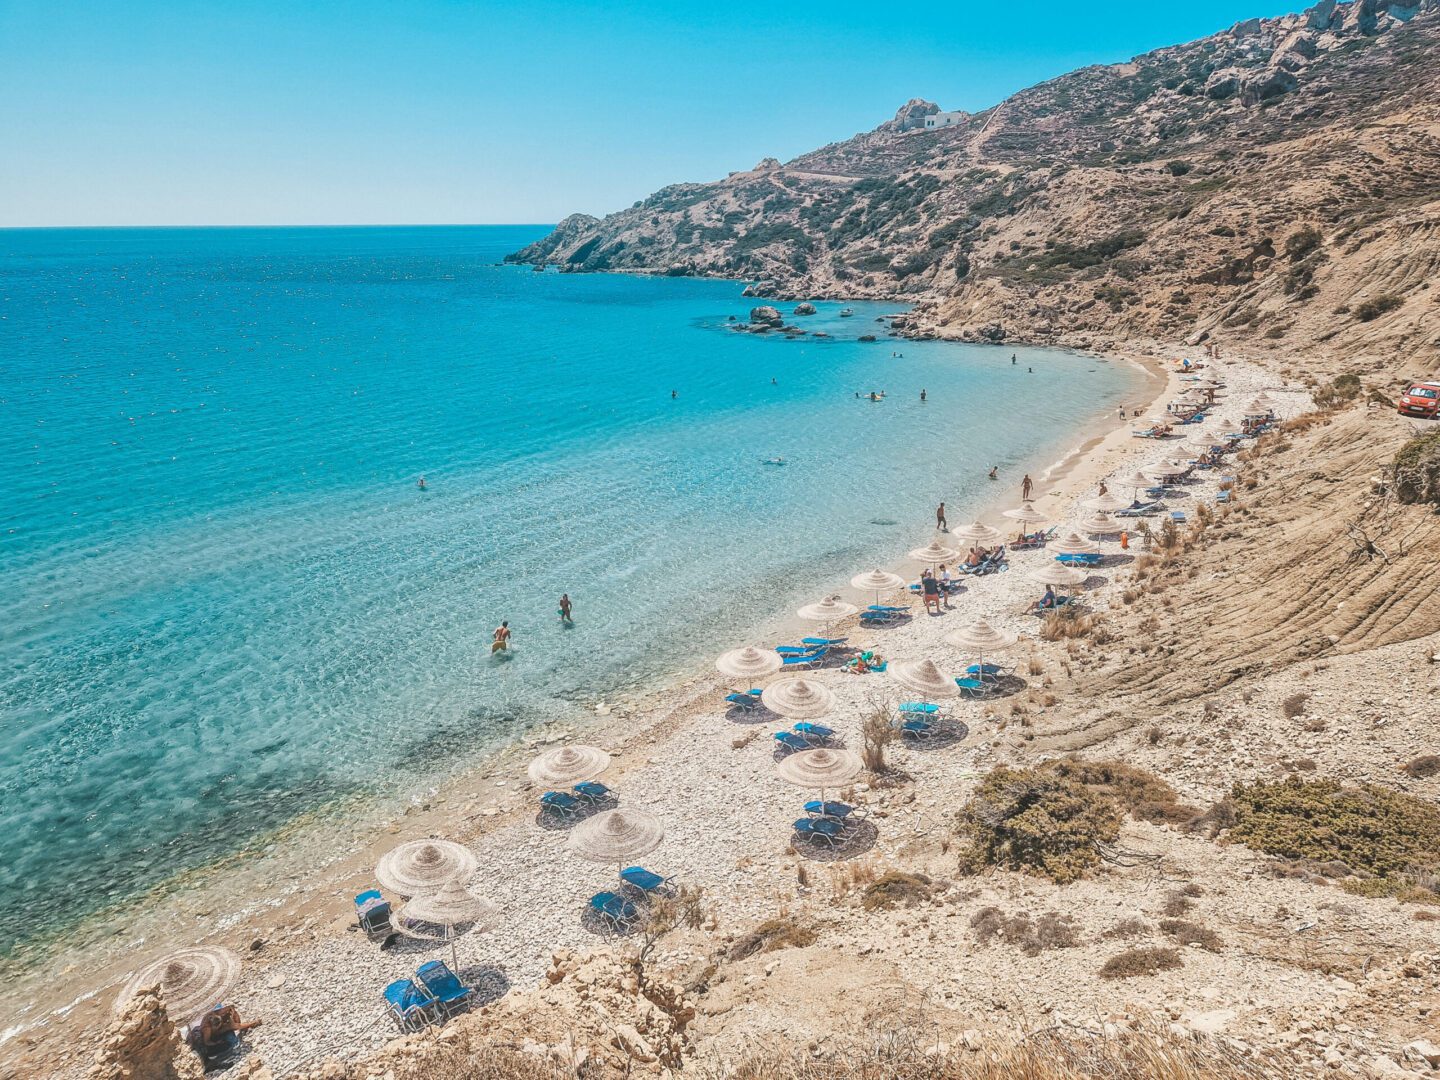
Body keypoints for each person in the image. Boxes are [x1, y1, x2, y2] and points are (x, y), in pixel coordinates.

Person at [194, 1006, 261, 1066]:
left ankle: (251, 1024)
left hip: (219, 1028)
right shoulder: (207, 1029)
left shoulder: (217, 1013)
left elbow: (231, 1007)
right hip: (212, 1037)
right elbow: (207, 1042)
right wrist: (216, 1043)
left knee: (233, 1025)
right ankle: (251, 1024)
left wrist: (233, 1016)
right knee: (231, 1034)